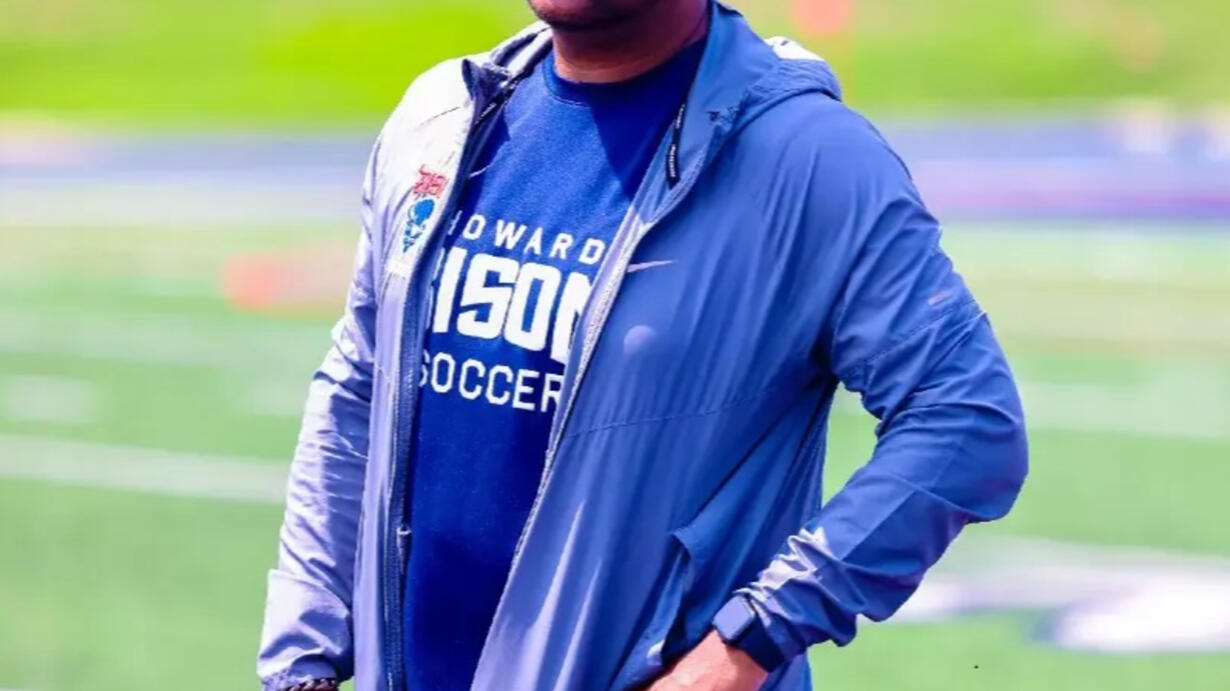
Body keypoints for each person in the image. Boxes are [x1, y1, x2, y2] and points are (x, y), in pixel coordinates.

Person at [257, 1, 1029, 690]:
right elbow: (359, 386)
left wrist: (748, 643)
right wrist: (302, 661)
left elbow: (966, 421)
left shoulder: (810, 159)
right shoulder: (443, 117)